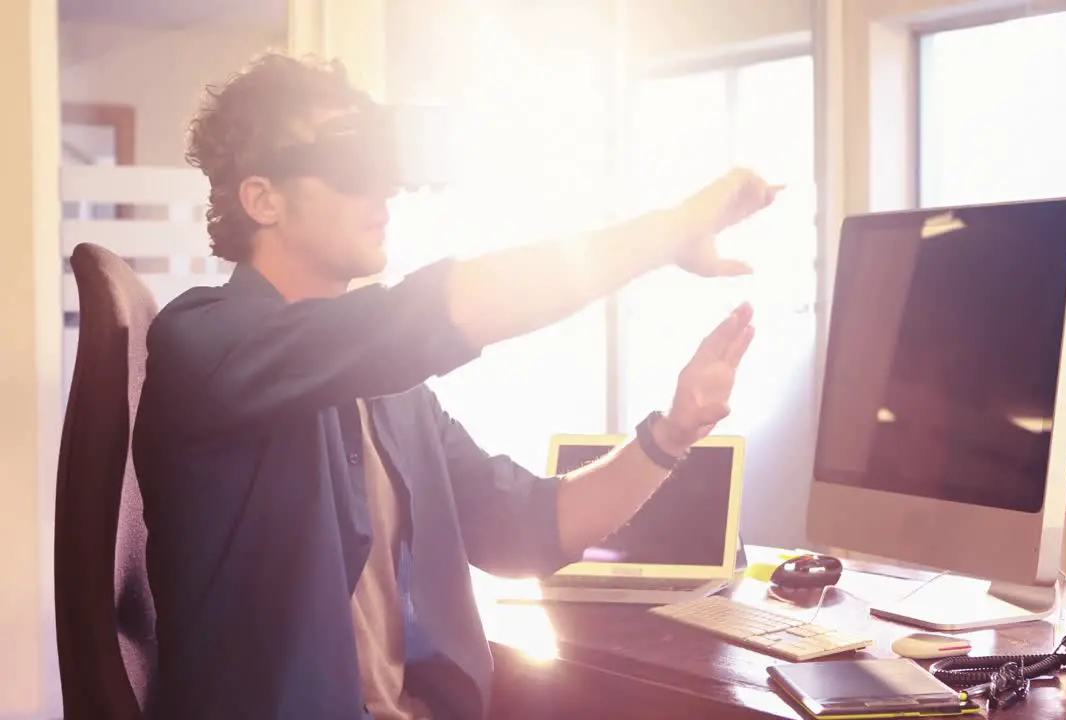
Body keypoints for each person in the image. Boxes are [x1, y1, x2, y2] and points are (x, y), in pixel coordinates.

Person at [131, 52, 779, 720]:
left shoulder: (392, 395)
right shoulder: (205, 345)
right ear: (262, 198)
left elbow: (528, 528)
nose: (382, 191)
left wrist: (673, 433)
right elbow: (436, 312)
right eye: (352, 164)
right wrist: (669, 230)